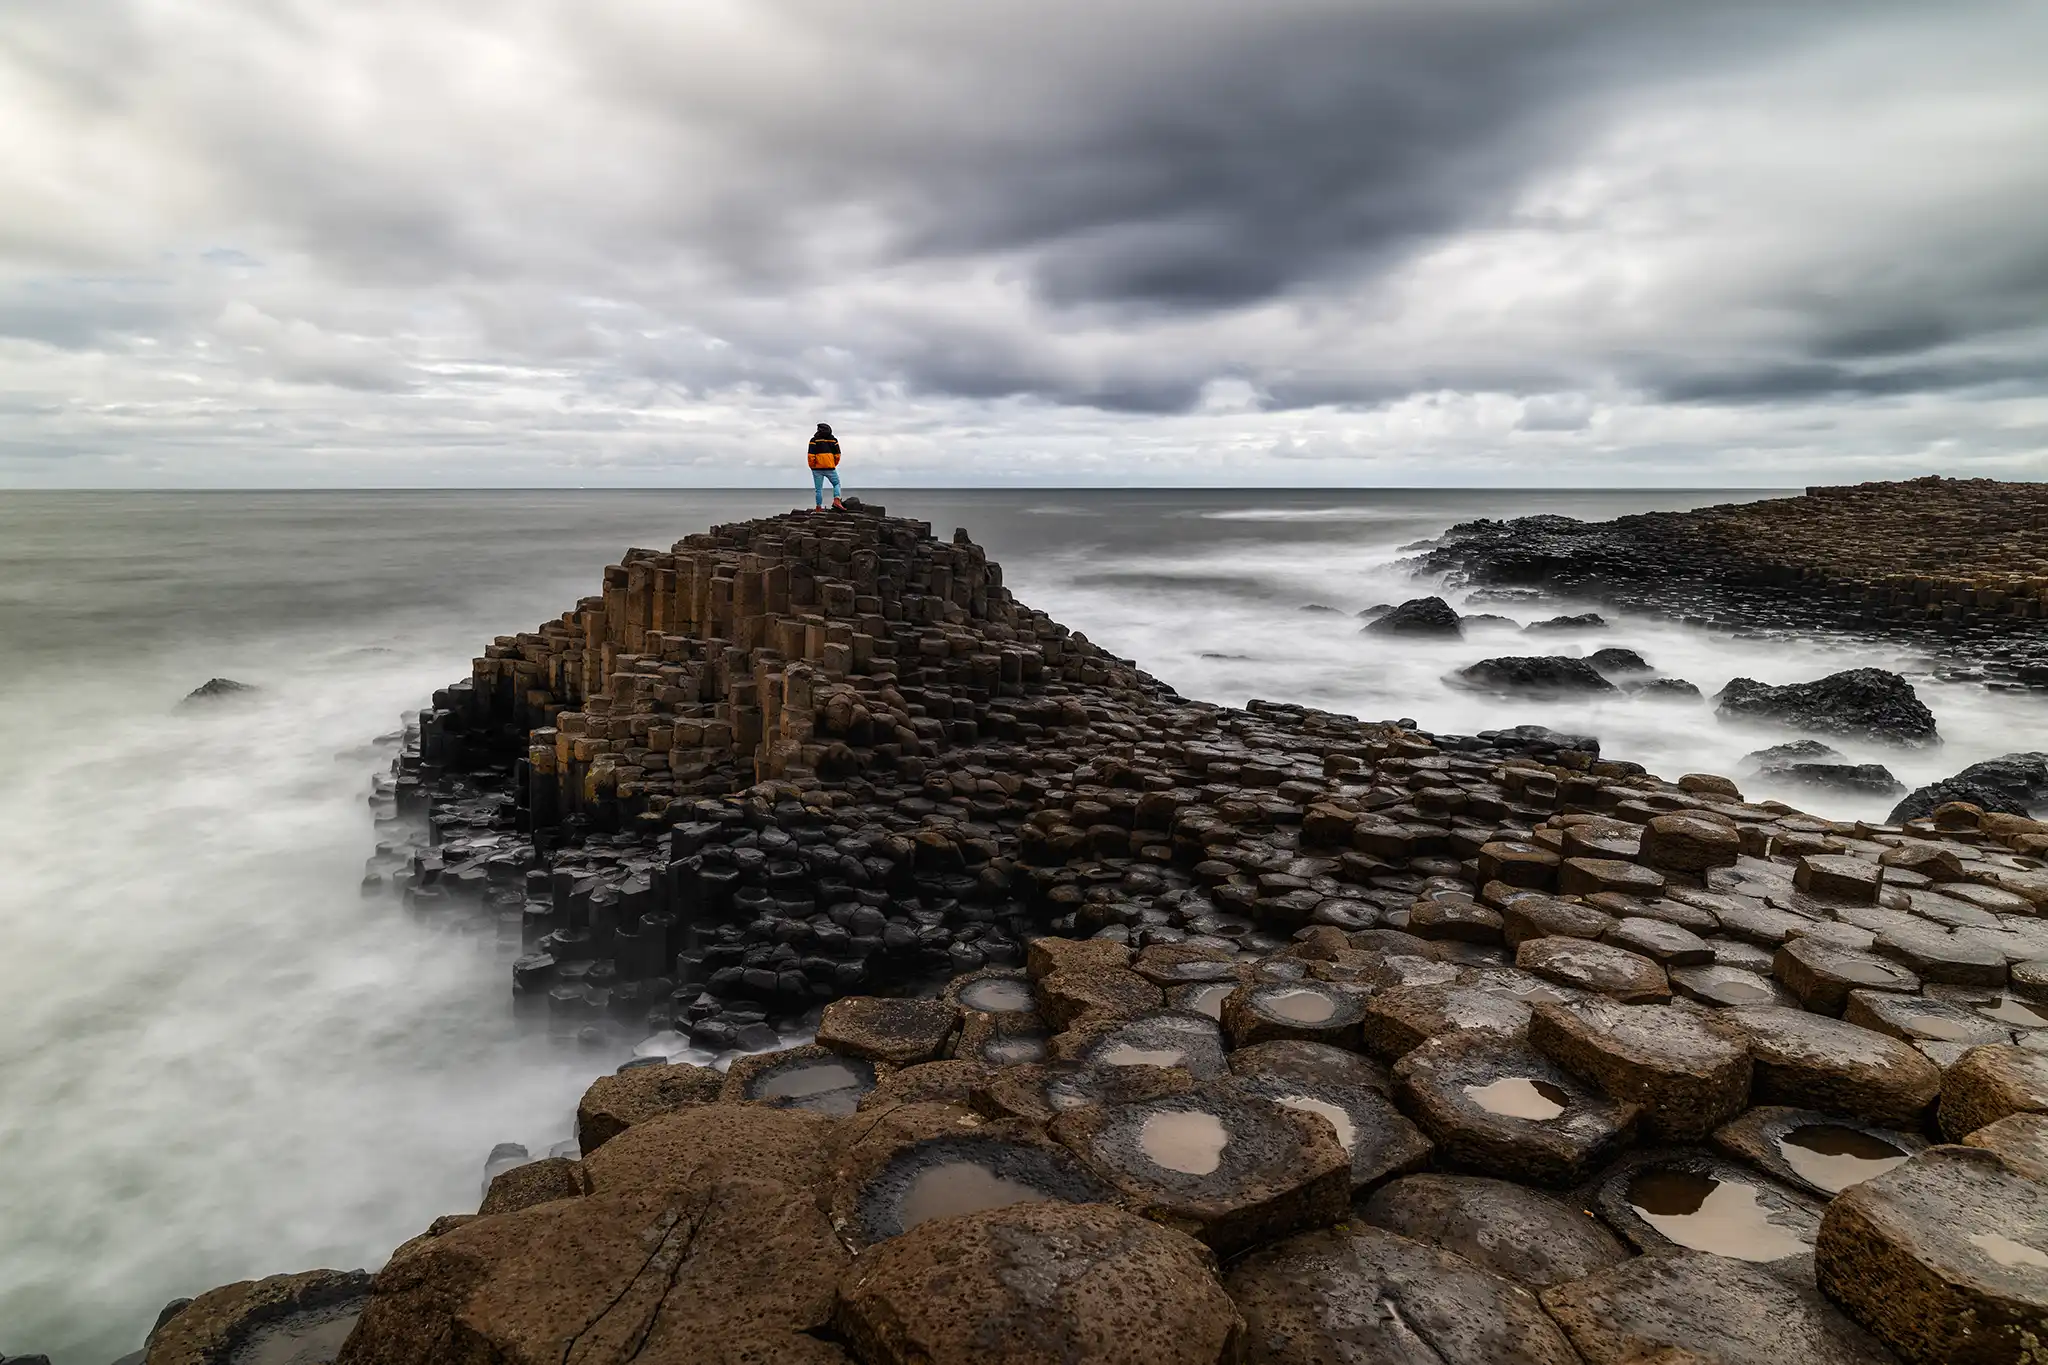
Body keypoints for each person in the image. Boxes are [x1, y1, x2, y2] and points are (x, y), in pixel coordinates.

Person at [807, 423, 845, 511]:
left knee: (818, 489)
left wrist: (812, 466)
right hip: (830, 467)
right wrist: (833, 463)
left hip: (817, 468)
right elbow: (837, 455)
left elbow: (811, 455)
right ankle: (837, 500)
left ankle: (818, 507)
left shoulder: (814, 440)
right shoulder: (833, 440)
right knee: (836, 484)